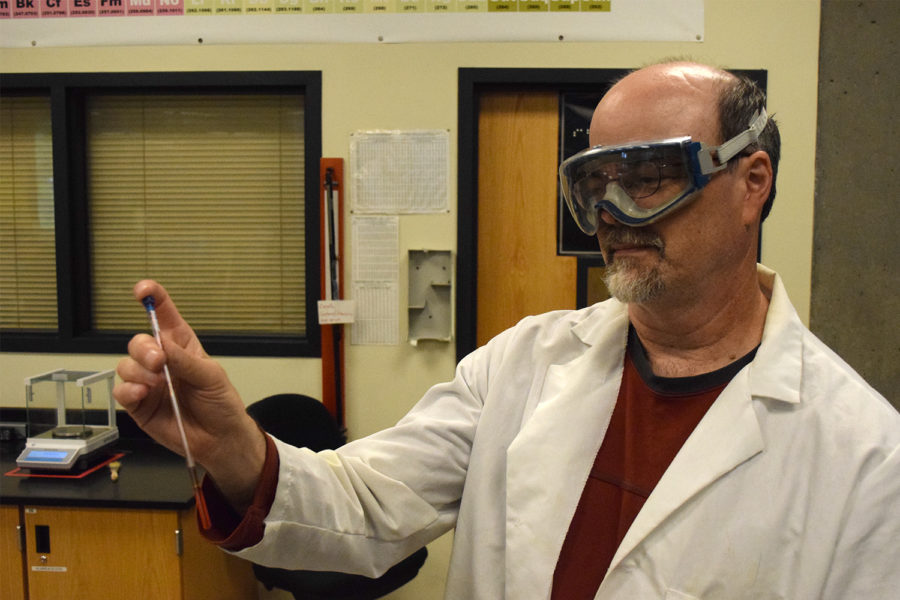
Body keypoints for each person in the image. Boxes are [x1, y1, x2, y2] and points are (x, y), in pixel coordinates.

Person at [114, 61, 900, 599]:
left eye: (650, 177)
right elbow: (366, 506)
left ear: (750, 183)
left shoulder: (864, 453)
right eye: (595, 183)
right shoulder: (525, 361)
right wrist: (230, 446)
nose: (613, 216)